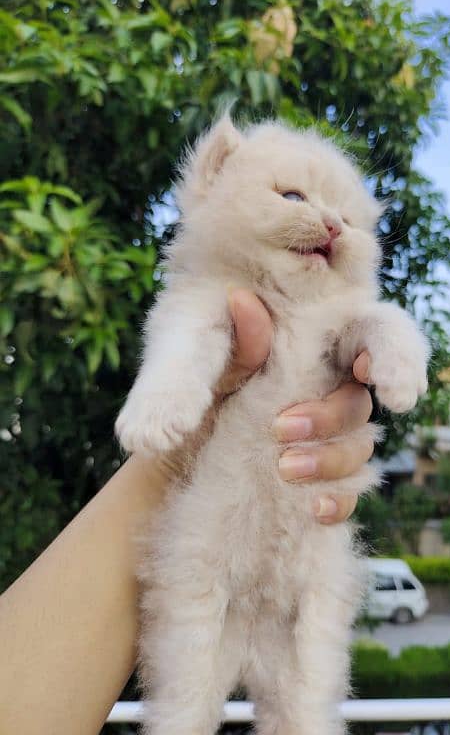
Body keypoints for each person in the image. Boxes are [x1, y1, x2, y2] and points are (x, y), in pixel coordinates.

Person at [0, 289, 375, 735]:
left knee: (302, 693)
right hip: (214, 538)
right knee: (190, 695)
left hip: (283, 546)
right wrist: (172, 427)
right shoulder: (220, 294)